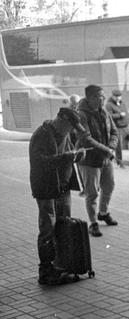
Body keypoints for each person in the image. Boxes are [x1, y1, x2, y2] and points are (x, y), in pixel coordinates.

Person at [29, 108, 88, 285]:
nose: (71, 131)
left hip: (63, 188)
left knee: (63, 224)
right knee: (48, 228)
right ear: (61, 121)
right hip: (46, 189)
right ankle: (45, 270)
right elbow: (39, 162)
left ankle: (62, 263)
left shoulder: (64, 134)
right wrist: (66, 157)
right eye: (70, 127)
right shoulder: (42, 134)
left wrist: (77, 157)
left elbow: (67, 156)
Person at [76, 85, 120, 238]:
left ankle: (103, 213)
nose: (103, 98)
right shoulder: (81, 114)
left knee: (109, 186)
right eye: (101, 96)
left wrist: (111, 147)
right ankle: (93, 222)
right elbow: (86, 139)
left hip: (105, 157)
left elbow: (114, 131)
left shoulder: (104, 112)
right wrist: (107, 150)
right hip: (89, 160)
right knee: (92, 192)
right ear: (91, 98)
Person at [105, 89, 129, 167]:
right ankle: (119, 162)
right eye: (116, 96)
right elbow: (109, 116)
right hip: (117, 128)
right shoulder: (109, 105)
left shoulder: (122, 103)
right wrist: (119, 115)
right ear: (113, 96)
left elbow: (126, 112)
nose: (118, 98)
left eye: (119, 96)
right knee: (118, 146)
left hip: (126, 126)